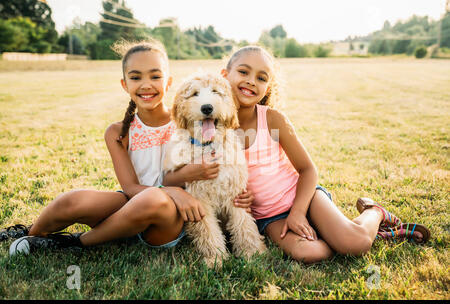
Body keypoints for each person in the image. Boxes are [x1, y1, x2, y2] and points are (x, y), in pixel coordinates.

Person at [218, 45, 430, 264]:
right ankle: (344, 234)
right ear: (225, 75)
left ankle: (374, 212)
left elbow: (307, 170)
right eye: (243, 72)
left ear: (268, 86)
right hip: (269, 217)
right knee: (311, 253)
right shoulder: (212, 128)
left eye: (261, 78)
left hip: (304, 197)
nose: (251, 81)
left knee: (353, 244)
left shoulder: (272, 120)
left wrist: (298, 212)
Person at [3, 38, 210, 255]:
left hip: (169, 219)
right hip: (130, 204)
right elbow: (130, 188)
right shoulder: (118, 132)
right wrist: (169, 190)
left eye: (155, 76)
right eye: (136, 77)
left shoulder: (187, 123)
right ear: (125, 84)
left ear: (168, 83)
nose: (146, 84)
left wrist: (173, 193)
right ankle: (32, 234)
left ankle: (75, 244)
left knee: (154, 199)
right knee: (72, 200)